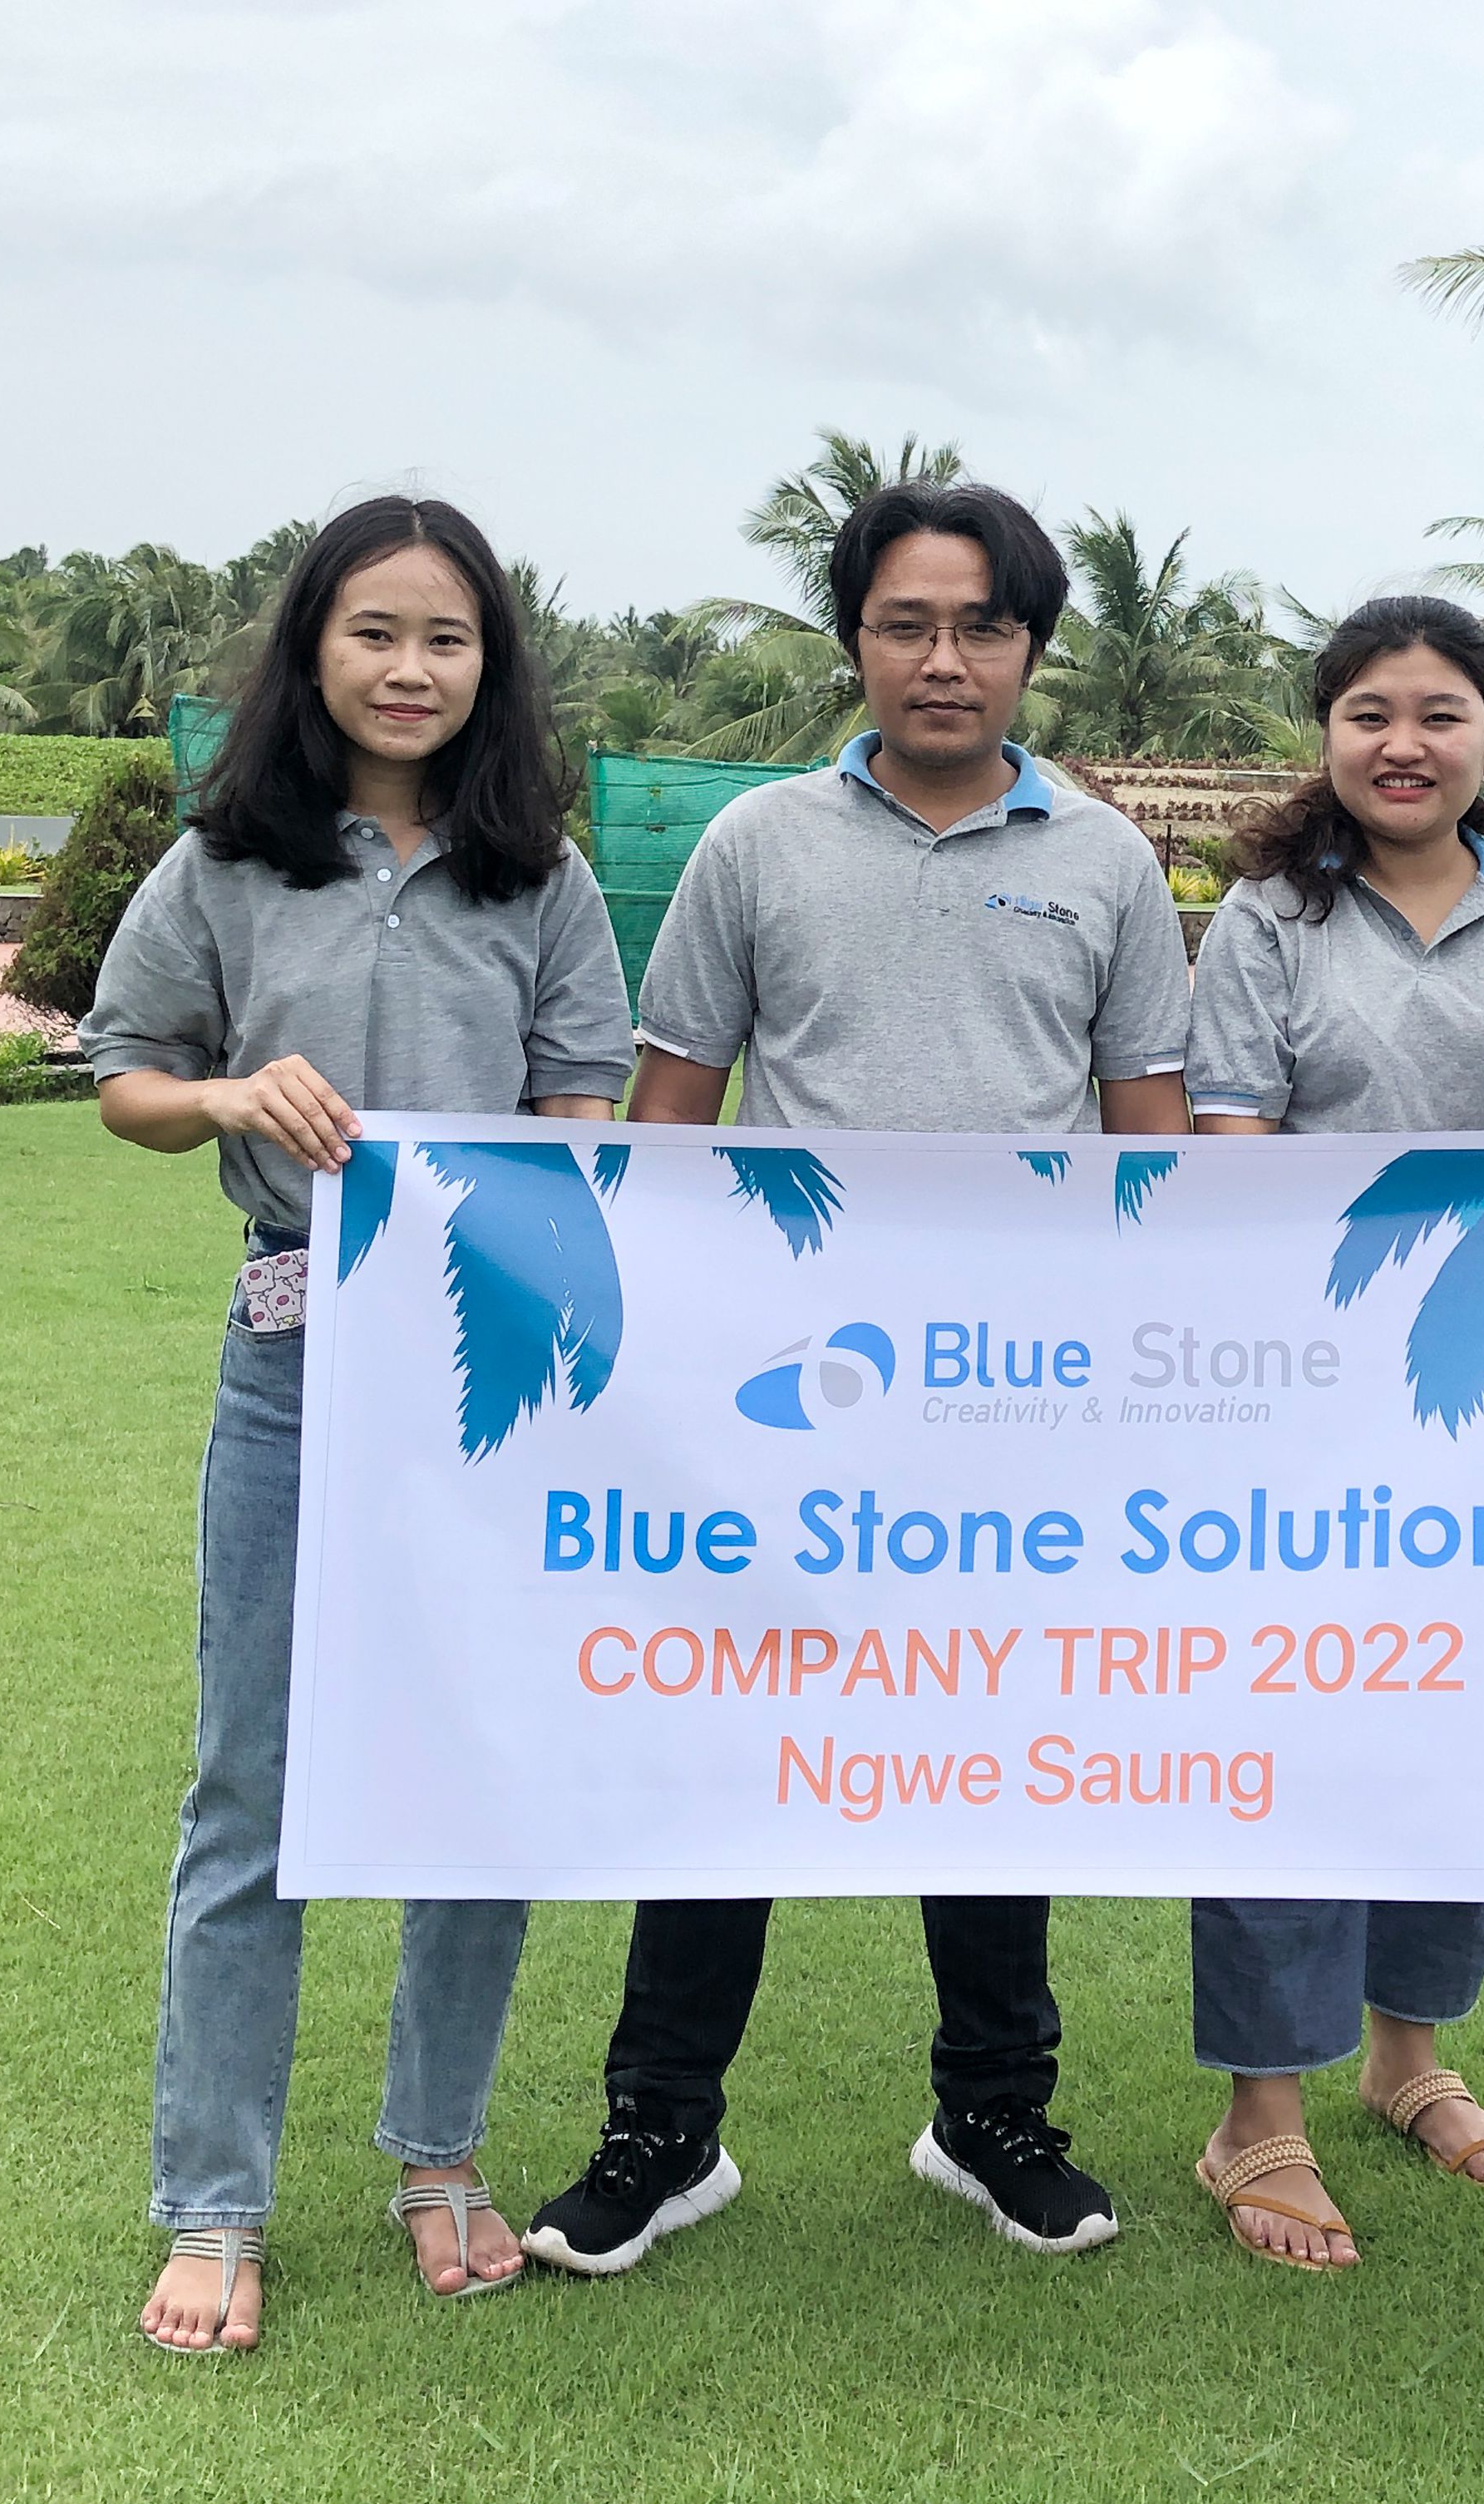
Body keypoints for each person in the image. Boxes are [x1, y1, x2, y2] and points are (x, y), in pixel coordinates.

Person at [522, 480, 1191, 2277]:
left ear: (1032, 648)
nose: (944, 658)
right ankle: (663, 2132)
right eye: (907, 624)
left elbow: (1154, 1152)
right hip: (779, 1397)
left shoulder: (1107, 862)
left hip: (1012, 1403)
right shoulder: (754, 845)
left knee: (989, 1759)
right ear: (855, 642)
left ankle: (994, 2117)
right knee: (728, 1753)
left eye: (982, 626)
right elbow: (671, 1127)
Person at [83, 495, 634, 2354]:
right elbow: (127, 1080)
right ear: (313, 648)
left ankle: (439, 2154)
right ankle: (213, 2200)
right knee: (254, 1783)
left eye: (447, 638)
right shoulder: (224, 862)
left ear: (494, 666)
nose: (411, 669)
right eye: (376, 632)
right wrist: (232, 1092)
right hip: (294, 1357)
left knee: (475, 1764)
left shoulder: (540, 876)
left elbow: (583, 1110)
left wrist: (520, 1188)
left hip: (490, 1380)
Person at [1176, 594, 1484, 2271]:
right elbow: (1233, 1155)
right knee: (1285, 1730)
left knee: (1453, 1718)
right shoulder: (1267, 921)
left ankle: (1410, 2057)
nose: (1406, 745)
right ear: (1325, 735)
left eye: (1441, 714)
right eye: (1371, 714)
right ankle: (1258, 2115)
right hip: (1301, 1399)